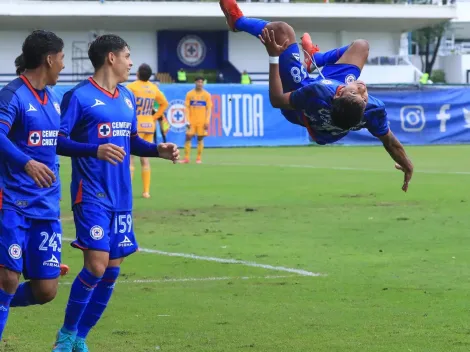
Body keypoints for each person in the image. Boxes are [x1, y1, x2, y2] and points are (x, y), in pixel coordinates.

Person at [52, 34, 179, 352]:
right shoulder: (78, 97)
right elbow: (57, 140)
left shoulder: (126, 97)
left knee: (112, 268)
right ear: (111, 57)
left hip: (122, 196)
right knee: (96, 264)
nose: (131, 62)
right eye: (127, 55)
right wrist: (95, 150)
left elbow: (133, 140)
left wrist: (157, 150)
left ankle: (81, 336)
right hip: (91, 192)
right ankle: (66, 335)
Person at [219, 0, 413, 192]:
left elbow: (277, 100)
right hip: (335, 105)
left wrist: (273, 57)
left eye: (356, 90)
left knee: (283, 32)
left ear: (340, 92)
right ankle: (314, 59)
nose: (362, 87)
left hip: (300, 110)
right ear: (363, 106)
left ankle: (237, 22)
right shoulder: (371, 109)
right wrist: (407, 165)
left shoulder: (318, 93)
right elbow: (389, 142)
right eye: (363, 96)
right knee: (361, 46)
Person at [0, 30, 69, 342]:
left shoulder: (53, 102)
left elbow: (59, 144)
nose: (64, 66)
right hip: (12, 203)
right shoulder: (13, 95)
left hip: (46, 209)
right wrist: (26, 163)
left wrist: (97, 148)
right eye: (63, 58)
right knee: (7, 280)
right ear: (50, 59)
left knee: (45, 290)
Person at [127, 63, 169, 198]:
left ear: (138, 73)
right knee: (145, 159)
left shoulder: (132, 87)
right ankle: (146, 191)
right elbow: (164, 103)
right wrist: (154, 117)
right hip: (149, 125)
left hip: (136, 126)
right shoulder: (153, 88)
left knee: (130, 159)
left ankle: (128, 190)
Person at [179, 76, 212, 164]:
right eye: (198, 82)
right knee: (188, 137)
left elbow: (209, 109)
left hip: (202, 121)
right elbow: (186, 108)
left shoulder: (207, 95)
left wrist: (207, 121)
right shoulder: (189, 94)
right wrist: (187, 121)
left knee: (200, 139)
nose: (200, 84)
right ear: (195, 83)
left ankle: (198, 158)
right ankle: (186, 158)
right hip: (191, 121)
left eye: (201, 82)